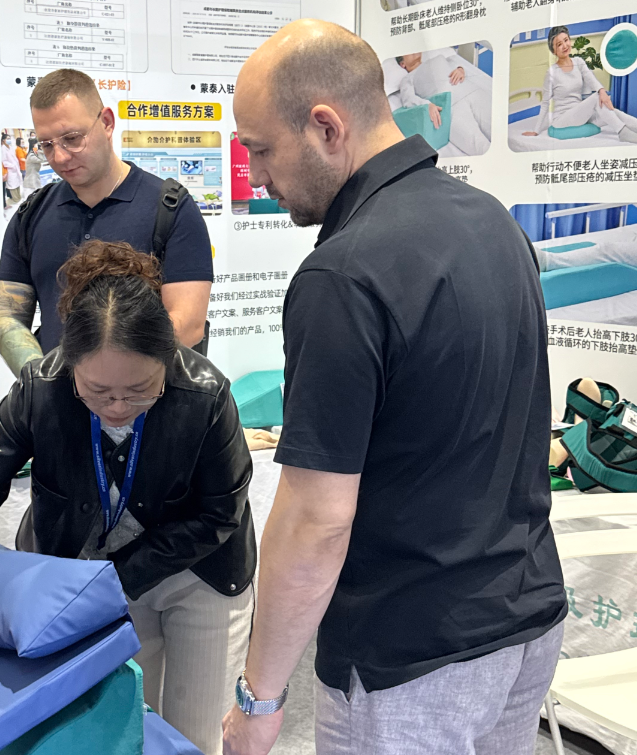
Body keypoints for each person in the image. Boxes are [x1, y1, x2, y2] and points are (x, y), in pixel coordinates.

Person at [223, 20, 567, 755]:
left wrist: (259, 698)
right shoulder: (493, 221)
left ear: (325, 127)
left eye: (260, 148)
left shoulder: (342, 274)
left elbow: (315, 520)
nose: (255, 174)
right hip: (525, 619)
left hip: (412, 655)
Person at [0, 240, 255, 755]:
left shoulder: (205, 393)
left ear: (168, 360)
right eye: (98, 391)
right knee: (126, 724)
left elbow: (218, 514)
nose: (118, 406)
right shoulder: (41, 387)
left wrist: (113, 579)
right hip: (91, 573)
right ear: (70, 364)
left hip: (200, 573)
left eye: (141, 389)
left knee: (194, 735)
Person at [0, 68, 213, 378]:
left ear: (107, 122)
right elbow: (8, 318)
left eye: (72, 139)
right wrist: (42, 381)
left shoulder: (170, 209)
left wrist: (106, 384)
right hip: (55, 400)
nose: (60, 157)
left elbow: (188, 325)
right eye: (47, 145)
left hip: (145, 398)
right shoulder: (31, 215)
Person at [524, 26, 637, 143]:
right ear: (554, 51)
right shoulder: (552, 72)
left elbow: (591, 80)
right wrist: (536, 131)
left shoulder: (578, 62)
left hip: (580, 116)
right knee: (597, 97)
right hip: (562, 119)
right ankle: (622, 132)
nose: (565, 46)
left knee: (614, 112)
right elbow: (545, 104)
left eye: (566, 40)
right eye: (559, 44)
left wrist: (602, 92)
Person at [396, 51, 491, 156]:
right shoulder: (407, 79)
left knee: (499, 130)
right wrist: (427, 105)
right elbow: (408, 99)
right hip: (451, 109)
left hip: (470, 91)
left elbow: (457, 65)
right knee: (482, 148)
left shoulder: (439, 59)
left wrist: (460, 70)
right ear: (403, 64)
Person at [1, 133, 23, 206]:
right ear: (3, 140)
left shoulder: (10, 147)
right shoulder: (3, 149)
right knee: (12, 185)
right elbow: (4, 161)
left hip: (15, 169)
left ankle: (19, 198)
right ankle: (16, 199)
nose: (9, 140)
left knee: (17, 184)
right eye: (7, 139)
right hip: (10, 170)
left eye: (9, 138)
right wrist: (12, 166)